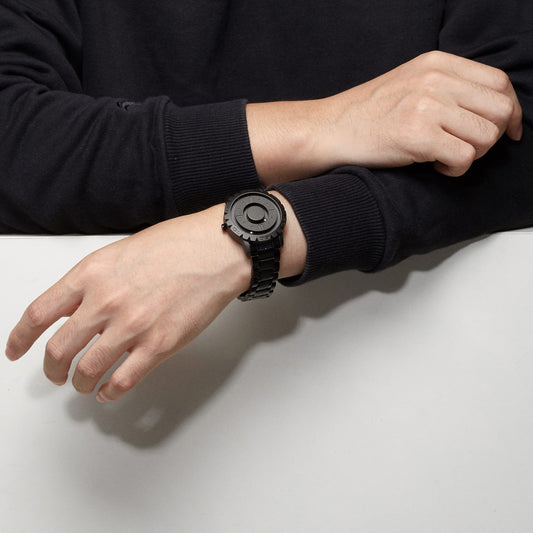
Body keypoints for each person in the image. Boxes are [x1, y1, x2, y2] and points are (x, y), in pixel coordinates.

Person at [2, 1, 532, 402]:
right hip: (75, 414)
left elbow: (514, 135)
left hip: (414, 385)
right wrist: (328, 123)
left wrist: (247, 238)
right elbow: (13, 139)